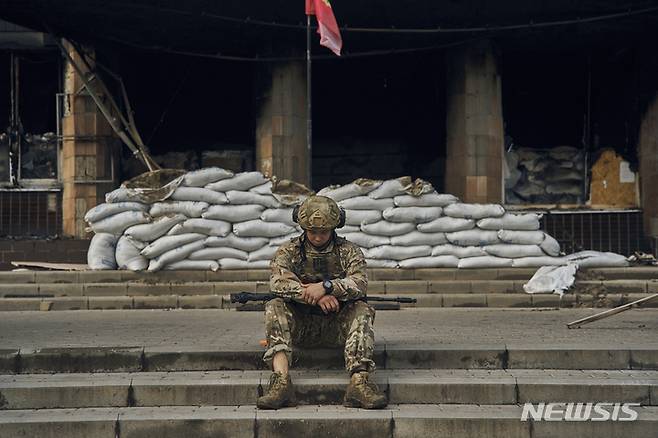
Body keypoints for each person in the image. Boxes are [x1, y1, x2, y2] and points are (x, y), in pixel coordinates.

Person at [257, 195, 387, 410]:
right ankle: (281, 382)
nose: (317, 237)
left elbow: (359, 283)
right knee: (274, 306)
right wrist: (317, 296)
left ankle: (359, 382)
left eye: (323, 232)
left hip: (338, 328)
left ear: (335, 227)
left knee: (362, 309)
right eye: (313, 232)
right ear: (303, 227)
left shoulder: (349, 251)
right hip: (301, 328)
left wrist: (327, 287)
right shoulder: (289, 250)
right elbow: (277, 282)